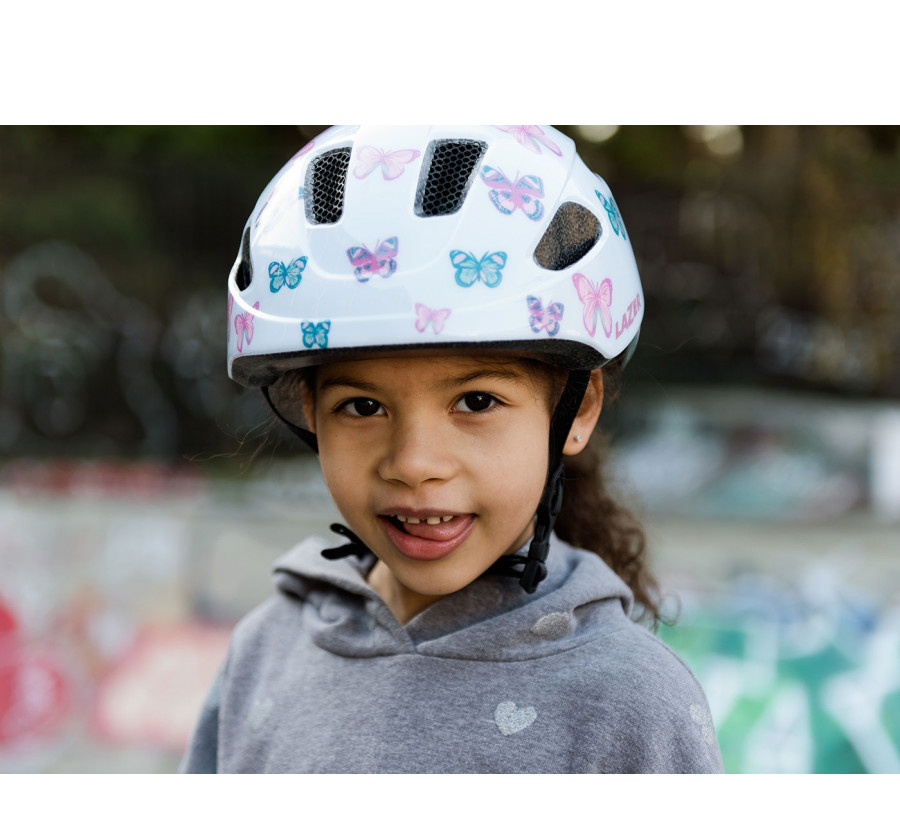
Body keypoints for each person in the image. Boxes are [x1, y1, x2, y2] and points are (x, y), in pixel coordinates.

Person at [181, 125, 723, 773]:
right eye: (363, 407)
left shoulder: (632, 704)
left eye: (476, 401)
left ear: (576, 411)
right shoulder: (263, 655)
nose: (414, 464)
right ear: (309, 412)